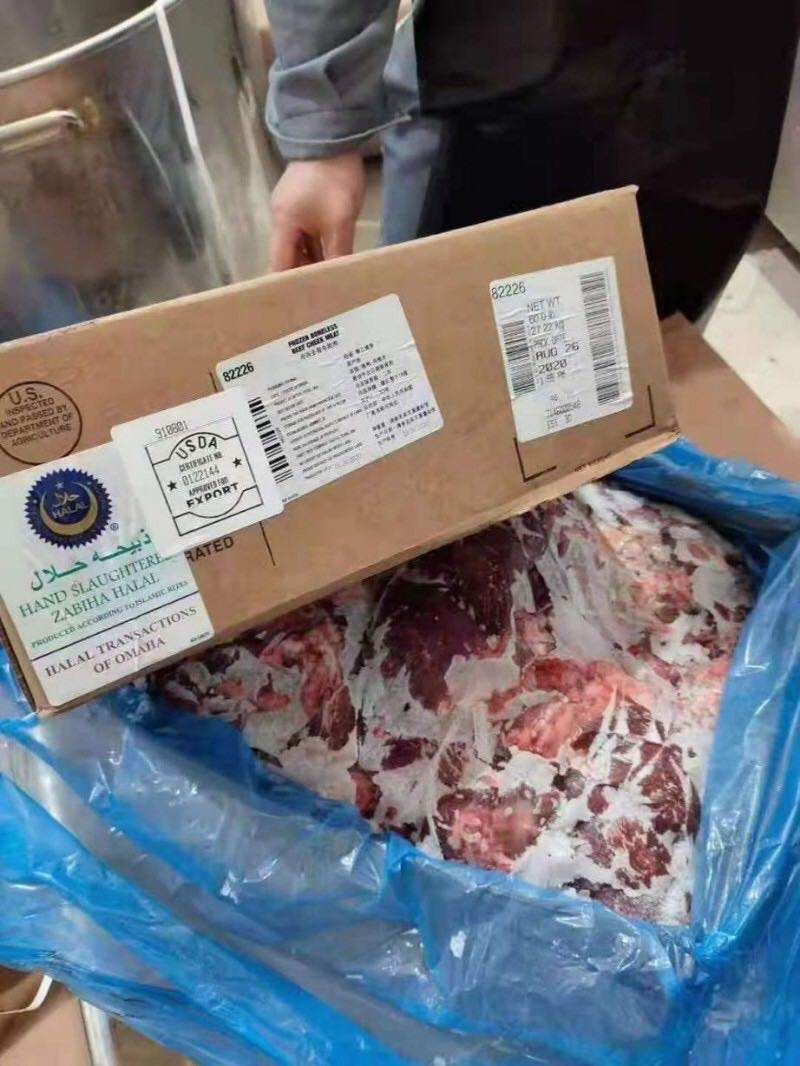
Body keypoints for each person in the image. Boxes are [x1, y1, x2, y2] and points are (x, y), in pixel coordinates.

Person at [265, 1, 799, 320]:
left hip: (720, 101)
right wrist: (323, 131)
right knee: (445, 371)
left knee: (644, 377)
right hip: (505, 96)